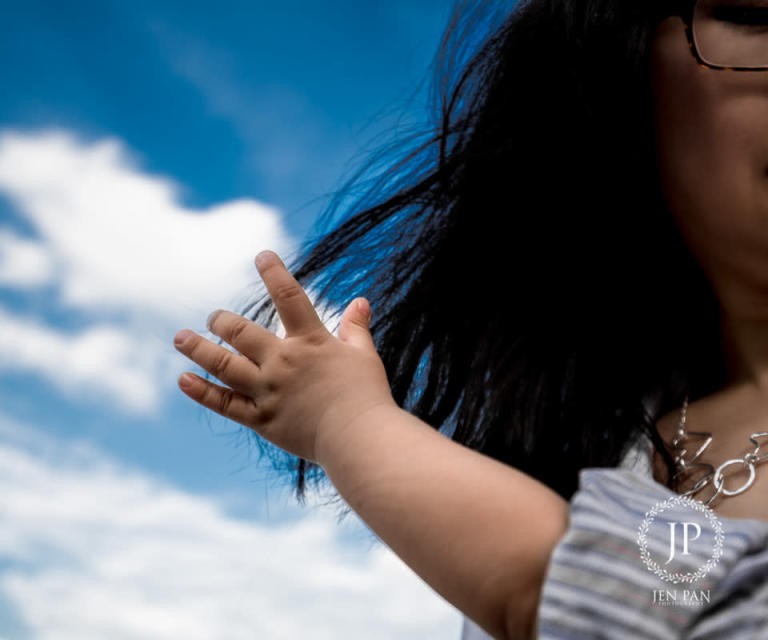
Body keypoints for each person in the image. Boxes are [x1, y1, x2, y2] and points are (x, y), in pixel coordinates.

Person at [172, 0, 768, 637]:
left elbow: (544, 588)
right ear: (616, 78)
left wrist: (346, 423)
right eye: (752, 12)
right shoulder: (600, 448)